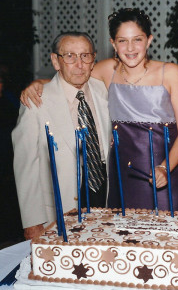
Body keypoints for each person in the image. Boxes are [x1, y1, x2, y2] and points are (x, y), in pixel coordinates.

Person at [20, 8, 178, 212]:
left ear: (149, 40)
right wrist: (41, 83)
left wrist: (165, 168)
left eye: (137, 39)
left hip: (166, 174)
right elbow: (73, 76)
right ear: (113, 43)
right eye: (122, 40)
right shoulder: (106, 70)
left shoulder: (171, 73)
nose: (130, 48)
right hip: (123, 178)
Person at [12, 32, 111, 240]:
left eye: (85, 56)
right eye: (69, 56)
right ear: (56, 61)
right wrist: (32, 223)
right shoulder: (36, 102)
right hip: (58, 211)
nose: (79, 64)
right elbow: (26, 167)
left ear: (94, 60)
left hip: (103, 202)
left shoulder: (103, 90)